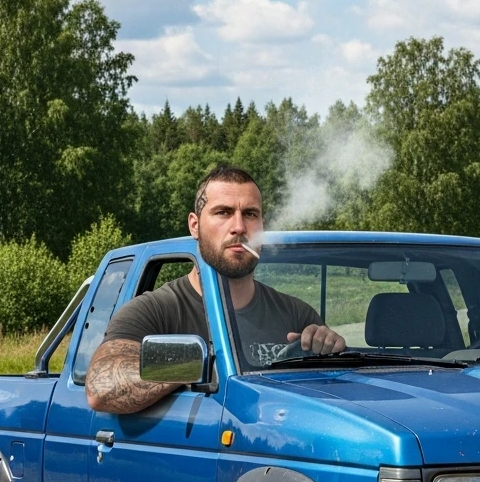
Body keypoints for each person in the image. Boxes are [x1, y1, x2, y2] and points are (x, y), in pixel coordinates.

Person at [85, 164, 346, 414]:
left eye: (250, 214)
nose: (239, 227)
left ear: (262, 226)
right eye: (223, 212)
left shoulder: (296, 314)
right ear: (195, 225)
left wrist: (332, 349)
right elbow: (101, 387)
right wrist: (196, 362)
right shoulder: (153, 310)